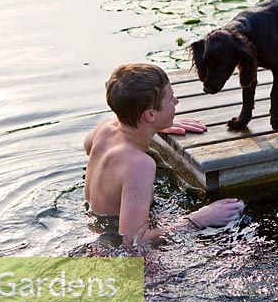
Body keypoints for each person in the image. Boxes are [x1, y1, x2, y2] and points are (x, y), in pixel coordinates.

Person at [84, 63, 244, 249]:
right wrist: (198, 219)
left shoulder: (105, 128)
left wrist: (156, 126)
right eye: (170, 99)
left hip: (92, 225)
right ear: (150, 114)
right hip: (112, 247)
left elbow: (89, 147)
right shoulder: (139, 164)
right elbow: (134, 241)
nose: (176, 102)